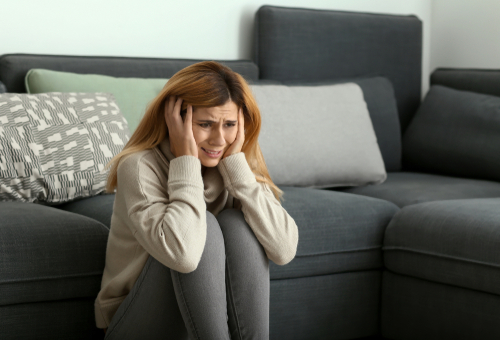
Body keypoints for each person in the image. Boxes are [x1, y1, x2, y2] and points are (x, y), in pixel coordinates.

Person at [94, 61, 299, 340]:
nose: (219, 139)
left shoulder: (233, 162)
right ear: (174, 119)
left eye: (229, 125)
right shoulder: (139, 166)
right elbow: (184, 255)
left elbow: (284, 250)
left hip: (197, 318)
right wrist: (187, 162)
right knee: (207, 230)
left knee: (238, 225)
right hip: (136, 321)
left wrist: (240, 175)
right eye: (205, 124)